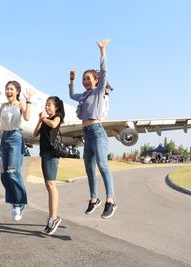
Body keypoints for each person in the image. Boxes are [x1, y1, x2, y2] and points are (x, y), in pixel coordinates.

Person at [69, 39, 117, 219]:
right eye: (83, 79)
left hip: (97, 131)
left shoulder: (98, 92)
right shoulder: (83, 95)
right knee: (89, 168)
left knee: (102, 165)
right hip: (86, 134)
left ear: (96, 81)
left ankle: (111, 200)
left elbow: (104, 71)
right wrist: (72, 80)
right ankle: (93, 198)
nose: (85, 81)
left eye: (88, 78)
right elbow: (71, 94)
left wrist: (102, 51)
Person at [0, 81, 33, 221]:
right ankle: (15, 204)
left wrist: (28, 101)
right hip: (4, 138)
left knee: (13, 173)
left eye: (11, 89)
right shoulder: (3, 106)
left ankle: (20, 203)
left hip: (16, 138)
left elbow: (27, 117)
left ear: (17, 91)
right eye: (7, 89)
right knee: (4, 175)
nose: (8, 92)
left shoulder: (21, 104)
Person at [33, 96, 65, 235]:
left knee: (51, 185)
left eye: (50, 105)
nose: (47, 107)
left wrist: (44, 118)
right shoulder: (45, 119)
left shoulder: (57, 116)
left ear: (56, 107)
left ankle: (54, 218)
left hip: (52, 154)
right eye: (46, 105)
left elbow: (53, 125)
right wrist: (40, 120)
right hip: (44, 153)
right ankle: (52, 216)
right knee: (48, 185)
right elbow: (35, 133)